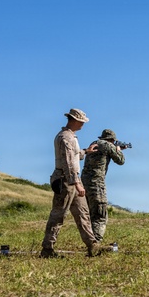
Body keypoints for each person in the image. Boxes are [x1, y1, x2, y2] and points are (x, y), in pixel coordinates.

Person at [41, 108, 103, 258]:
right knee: (59, 215)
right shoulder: (66, 138)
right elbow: (69, 163)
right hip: (65, 181)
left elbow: (73, 156)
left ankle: (92, 245)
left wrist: (86, 151)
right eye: (81, 121)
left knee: (83, 213)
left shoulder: (69, 137)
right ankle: (47, 249)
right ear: (74, 120)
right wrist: (77, 184)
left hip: (70, 180)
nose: (83, 124)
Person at [82, 128, 127, 241]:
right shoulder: (108, 145)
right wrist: (118, 150)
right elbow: (121, 161)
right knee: (100, 214)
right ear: (112, 139)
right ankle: (95, 242)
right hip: (97, 182)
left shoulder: (94, 143)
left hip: (84, 182)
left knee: (90, 213)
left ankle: (89, 239)